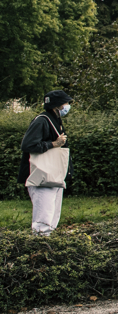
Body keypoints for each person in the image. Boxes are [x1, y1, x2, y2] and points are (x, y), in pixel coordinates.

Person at [20, 90, 72, 235]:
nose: (67, 106)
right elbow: (28, 145)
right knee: (43, 220)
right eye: (65, 103)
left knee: (52, 218)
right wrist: (53, 144)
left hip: (53, 176)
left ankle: (48, 247)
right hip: (42, 176)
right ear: (57, 105)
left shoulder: (55, 121)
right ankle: (40, 248)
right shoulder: (42, 120)